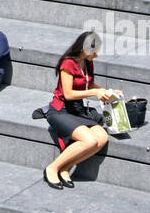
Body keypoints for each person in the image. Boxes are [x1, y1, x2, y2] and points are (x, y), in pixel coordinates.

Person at [40, 31, 112, 189]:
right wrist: (94, 93)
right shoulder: (68, 63)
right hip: (61, 110)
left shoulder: (87, 61)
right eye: (94, 52)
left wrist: (107, 92)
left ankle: (65, 167)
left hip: (78, 110)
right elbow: (68, 93)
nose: (96, 56)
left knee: (102, 137)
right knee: (90, 140)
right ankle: (52, 168)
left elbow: (89, 84)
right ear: (84, 48)